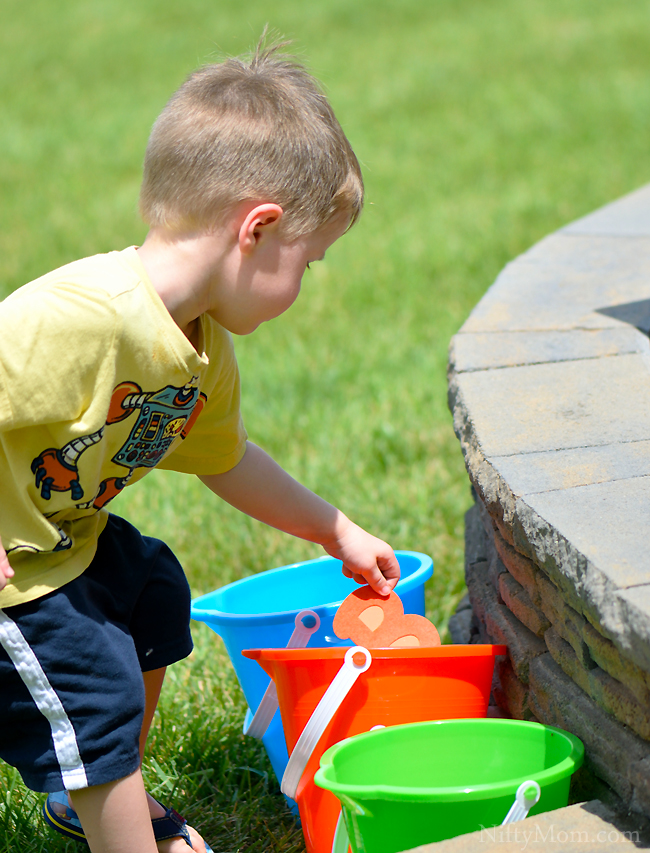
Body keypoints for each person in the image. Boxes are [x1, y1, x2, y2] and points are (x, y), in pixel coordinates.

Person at [0, 37, 400, 853]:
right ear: (258, 229)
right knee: (95, 685)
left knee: (153, 590)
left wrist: (334, 529)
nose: (306, 283)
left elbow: (226, 458)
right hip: (14, 579)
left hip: (63, 542)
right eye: (309, 260)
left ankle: (98, 797)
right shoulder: (83, 316)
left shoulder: (201, 346)